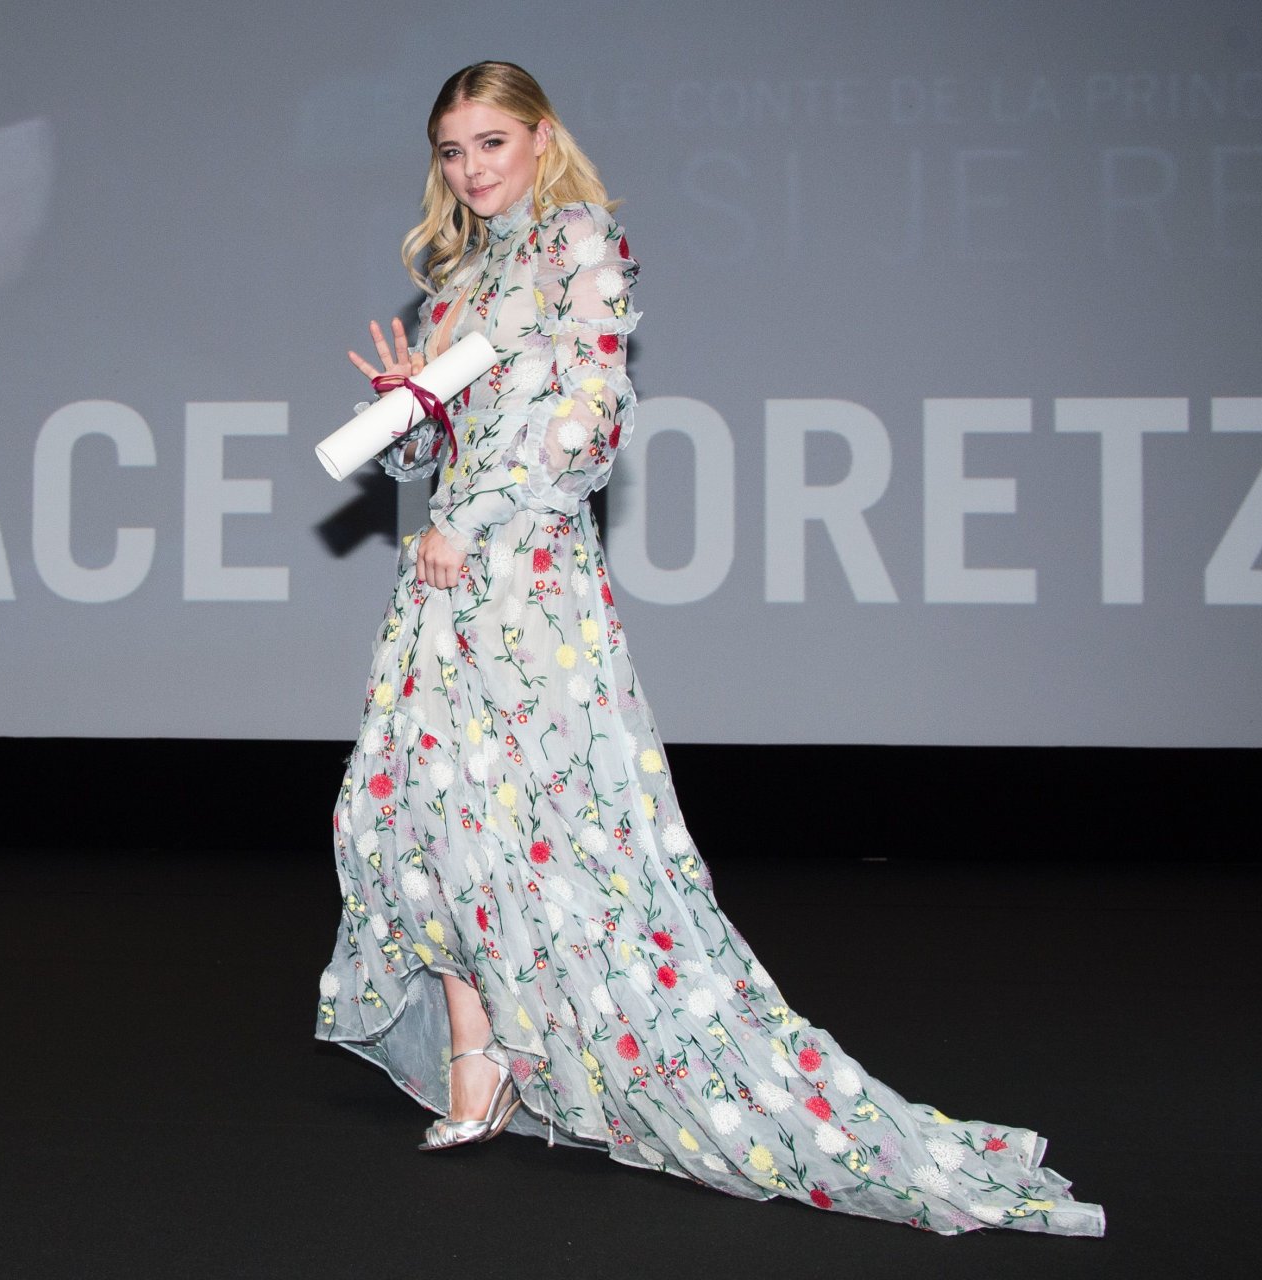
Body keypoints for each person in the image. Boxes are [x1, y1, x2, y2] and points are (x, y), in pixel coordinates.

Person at [317, 60, 1104, 1237]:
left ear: (539, 139)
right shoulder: (455, 281)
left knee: (541, 820)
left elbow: (586, 427)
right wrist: (407, 411)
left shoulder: (580, 245)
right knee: (431, 816)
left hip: (524, 581)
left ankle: (542, 1059)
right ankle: (478, 1055)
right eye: (451, 149)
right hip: (441, 587)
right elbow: (428, 458)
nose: (471, 168)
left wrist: (470, 520)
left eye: (490, 141)